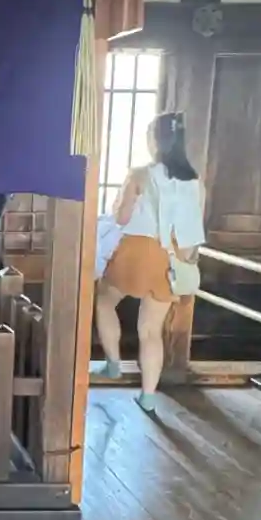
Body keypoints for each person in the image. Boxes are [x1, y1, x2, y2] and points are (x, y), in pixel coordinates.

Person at [93, 113, 205, 414]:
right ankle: (148, 396)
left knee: (105, 300)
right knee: (151, 330)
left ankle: (113, 364)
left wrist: (119, 204)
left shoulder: (140, 174)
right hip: (172, 256)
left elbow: (121, 218)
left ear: (156, 140)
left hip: (137, 251)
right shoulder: (195, 181)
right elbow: (194, 227)